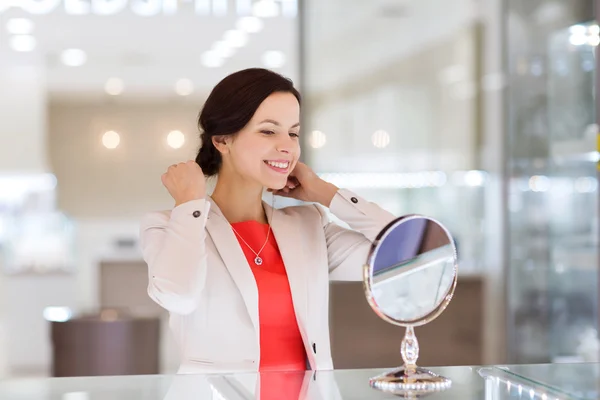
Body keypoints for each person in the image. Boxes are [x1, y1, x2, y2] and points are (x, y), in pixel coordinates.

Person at [139, 68, 397, 376]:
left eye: (293, 132)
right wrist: (190, 204)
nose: (287, 145)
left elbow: (409, 254)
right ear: (222, 140)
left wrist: (328, 194)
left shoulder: (309, 225)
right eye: (268, 131)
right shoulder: (172, 226)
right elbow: (177, 296)